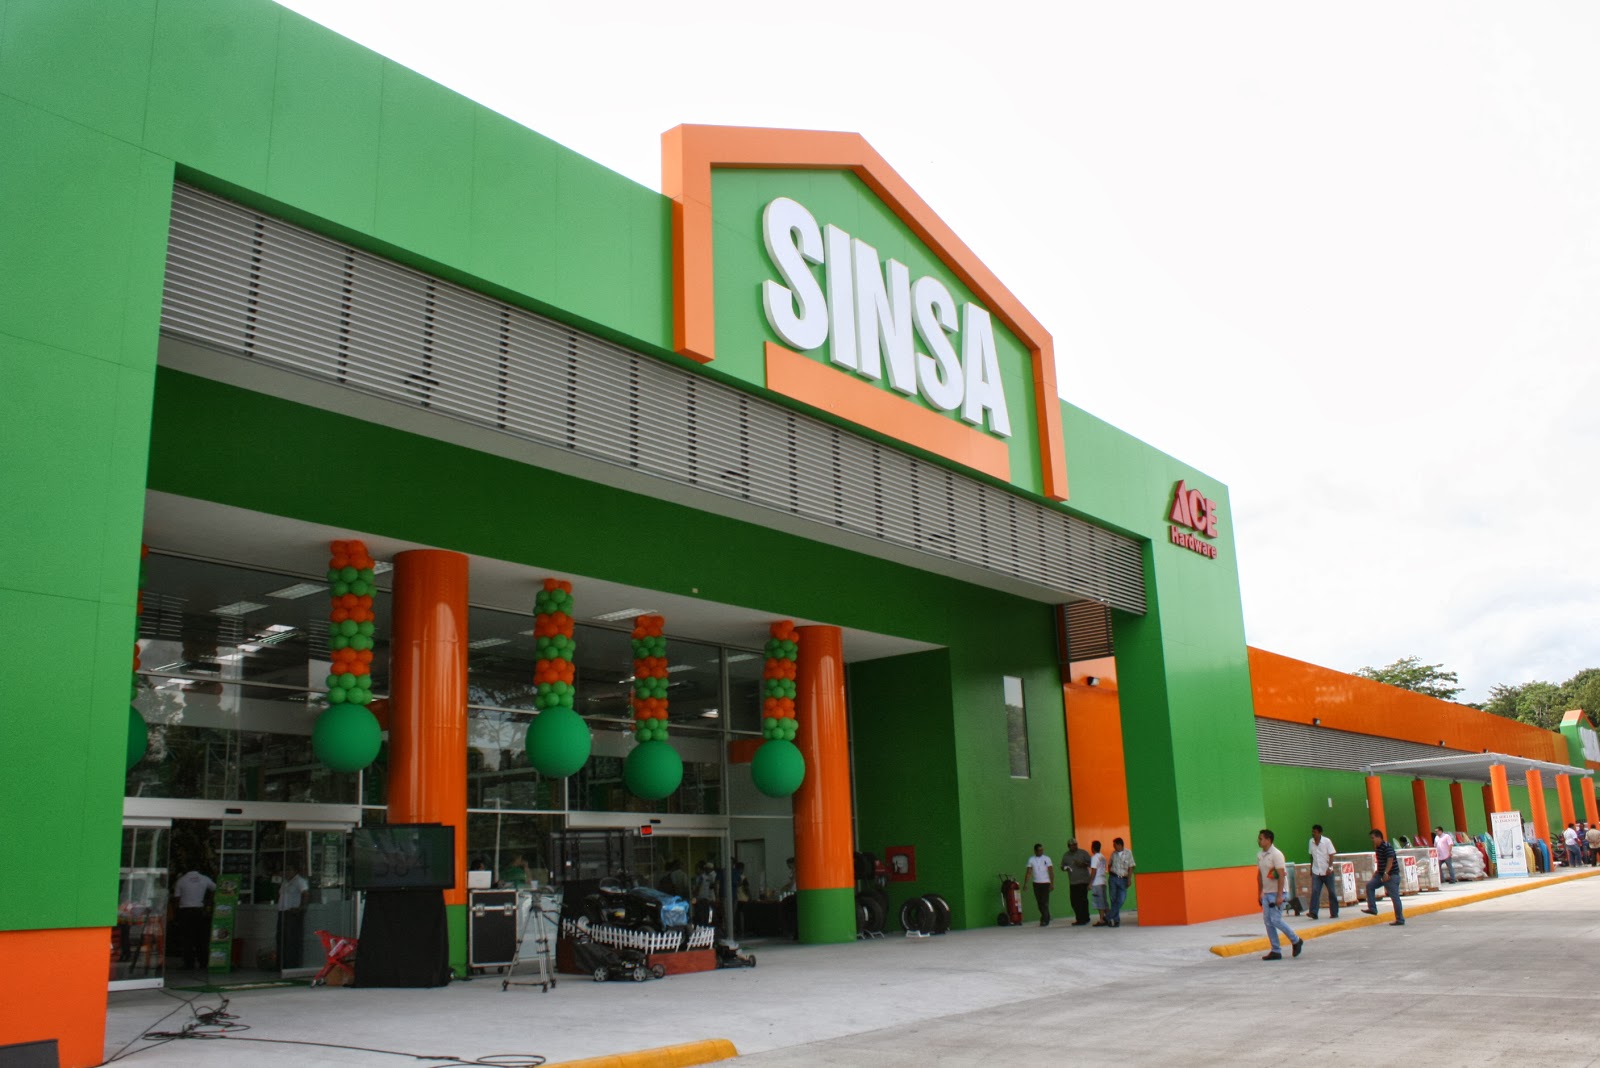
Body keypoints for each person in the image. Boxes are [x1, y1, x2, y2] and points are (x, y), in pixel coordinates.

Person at [1256, 829, 1304, 961]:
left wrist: (1279, 896)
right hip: (1267, 893)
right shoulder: (1260, 855)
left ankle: (1296, 940)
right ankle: (1275, 950)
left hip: (1277, 892)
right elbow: (1259, 875)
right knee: (1268, 922)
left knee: (1276, 920)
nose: (1259, 841)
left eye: (1261, 838)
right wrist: (1260, 892)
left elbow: (1281, 875)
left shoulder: (1276, 855)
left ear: (1268, 840)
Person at [171, 862, 216, 971]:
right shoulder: (204, 879)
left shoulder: (181, 880)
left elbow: (177, 898)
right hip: (200, 910)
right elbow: (216, 889)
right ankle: (203, 962)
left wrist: (176, 914)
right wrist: (209, 902)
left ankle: (189, 963)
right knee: (202, 938)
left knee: (187, 939)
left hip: (185, 911)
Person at [1361, 829, 1404, 926]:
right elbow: (1381, 862)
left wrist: (1386, 873)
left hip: (1391, 875)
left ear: (1379, 837)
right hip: (1380, 874)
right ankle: (1372, 908)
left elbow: (1390, 860)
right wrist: (1377, 872)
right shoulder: (1378, 848)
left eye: (1373, 838)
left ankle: (1400, 919)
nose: (1372, 840)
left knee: (1394, 897)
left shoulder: (1386, 846)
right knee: (1370, 886)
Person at [276, 862, 310, 969]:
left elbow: (305, 893)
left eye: (289, 870)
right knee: (281, 938)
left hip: (292, 912)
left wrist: (301, 907)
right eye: (285, 870)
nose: (286, 872)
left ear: (295, 871)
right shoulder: (285, 882)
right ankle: (282, 963)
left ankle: (292, 964)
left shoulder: (300, 881)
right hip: (282, 911)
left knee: (292, 939)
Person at [1306, 824, 1339, 919]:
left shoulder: (1327, 841)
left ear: (1320, 833)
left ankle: (1334, 912)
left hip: (1327, 871)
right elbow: (1311, 856)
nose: (1313, 834)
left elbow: (1331, 854)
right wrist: (1311, 868)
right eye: (1312, 832)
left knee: (1332, 892)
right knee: (1315, 891)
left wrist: (1330, 867)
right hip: (1316, 871)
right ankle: (1313, 912)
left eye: (1315, 832)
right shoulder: (1311, 842)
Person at [1060, 838, 1093, 926]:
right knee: (1074, 901)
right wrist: (1065, 868)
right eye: (1073, 845)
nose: (1075, 846)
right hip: (1073, 882)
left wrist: (1083, 864)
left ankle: (1084, 918)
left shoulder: (1083, 853)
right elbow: (1062, 866)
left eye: (1076, 844)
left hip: (1083, 880)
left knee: (1082, 900)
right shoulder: (1066, 856)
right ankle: (1079, 918)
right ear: (1069, 846)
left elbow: (1091, 864)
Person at [1023, 843, 1054, 927]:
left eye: (1042, 850)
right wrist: (1026, 883)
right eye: (1039, 850)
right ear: (1035, 851)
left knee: (1044, 901)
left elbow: (1051, 871)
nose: (1041, 851)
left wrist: (1052, 883)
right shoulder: (1031, 859)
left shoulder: (1047, 859)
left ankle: (1045, 919)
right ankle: (1046, 915)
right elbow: (1029, 872)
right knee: (1039, 902)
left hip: (1045, 883)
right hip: (1036, 883)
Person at [1107, 837, 1135, 928]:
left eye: (1115, 845)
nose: (1114, 847)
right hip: (1113, 878)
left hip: (1123, 879)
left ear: (1120, 845)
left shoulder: (1128, 853)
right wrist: (1111, 874)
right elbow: (1109, 864)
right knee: (1113, 899)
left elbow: (1131, 867)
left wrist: (1129, 879)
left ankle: (1108, 916)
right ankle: (1116, 920)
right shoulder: (1113, 854)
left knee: (1121, 899)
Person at [1088, 840, 1110, 926]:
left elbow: (1094, 871)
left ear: (1092, 848)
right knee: (1104, 901)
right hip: (1103, 881)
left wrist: (1090, 883)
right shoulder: (1102, 857)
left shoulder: (1094, 858)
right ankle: (1109, 917)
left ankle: (1102, 920)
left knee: (1099, 902)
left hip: (1097, 882)